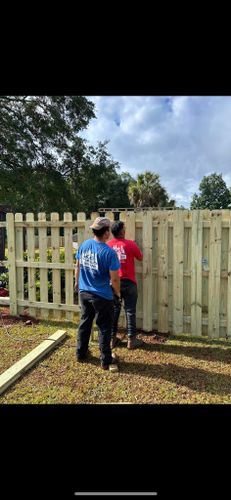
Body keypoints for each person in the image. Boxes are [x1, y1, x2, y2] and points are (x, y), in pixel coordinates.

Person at [75, 217, 120, 371]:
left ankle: (80, 353)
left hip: (84, 292)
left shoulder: (84, 245)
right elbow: (114, 279)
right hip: (102, 295)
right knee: (104, 327)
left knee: (85, 322)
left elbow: (78, 266)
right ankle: (106, 359)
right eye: (109, 230)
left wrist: (77, 284)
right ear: (107, 232)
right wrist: (118, 293)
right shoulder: (109, 253)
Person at [107, 220, 143, 349]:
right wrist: (135, 246)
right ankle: (131, 340)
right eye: (124, 228)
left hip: (113, 282)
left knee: (114, 309)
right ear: (122, 231)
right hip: (129, 282)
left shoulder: (108, 245)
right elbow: (140, 257)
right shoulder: (131, 244)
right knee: (130, 310)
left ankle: (112, 339)